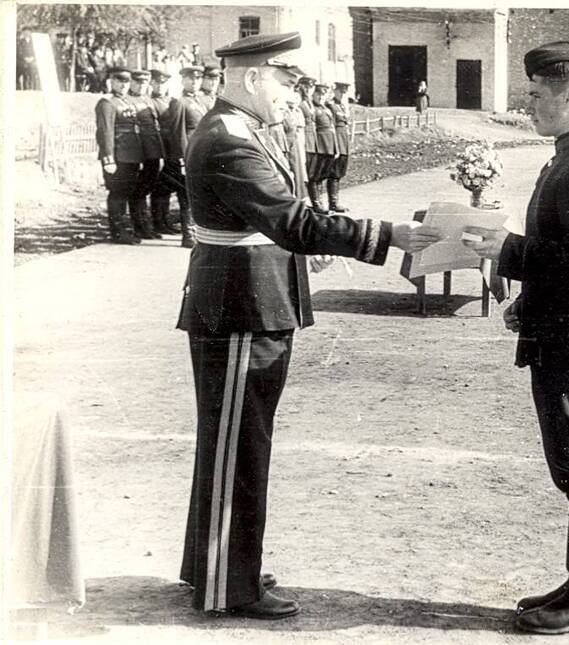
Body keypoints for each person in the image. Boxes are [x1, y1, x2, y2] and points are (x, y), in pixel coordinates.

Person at [176, 31, 440, 620]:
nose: (291, 97)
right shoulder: (227, 140)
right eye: (285, 82)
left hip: (247, 298)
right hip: (241, 304)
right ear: (250, 77)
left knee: (232, 441)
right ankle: (229, 586)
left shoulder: (236, 131)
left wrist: (308, 239)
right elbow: (290, 219)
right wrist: (386, 234)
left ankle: (215, 565)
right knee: (239, 444)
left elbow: (283, 218)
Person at [463, 41, 569, 635]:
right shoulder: (564, 159)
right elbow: (564, 257)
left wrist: (508, 252)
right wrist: (527, 300)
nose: (528, 103)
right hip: (563, 333)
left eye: (537, 95)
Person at [95, 67, 143, 244]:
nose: (123, 85)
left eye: (126, 82)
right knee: (117, 194)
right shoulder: (107, 103)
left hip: (131, 156)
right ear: (111, 81)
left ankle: (125, 229)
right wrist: (108, 158)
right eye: (119, 81)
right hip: (117, 156)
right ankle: (118, 231)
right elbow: (105, 132)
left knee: (127, 192)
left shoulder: (128, 101)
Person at [126, 69, 164, 239]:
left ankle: (145, 226)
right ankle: (139, 227)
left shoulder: (149, 101)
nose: (141, 85)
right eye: (137, 82)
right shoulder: (127, 101)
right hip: (138, 152)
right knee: (137, 191)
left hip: (153, 151)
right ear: (131, 83)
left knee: (146, 188)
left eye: (144, 82)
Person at [174, 66, 209, 246]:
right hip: (190, 154)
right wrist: (182, 158)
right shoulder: (180, 103)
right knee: (187, 195)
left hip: (205, 154)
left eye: (197, 79)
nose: (194, 82)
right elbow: (178, 132)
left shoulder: (205, 101)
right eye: (190, 79)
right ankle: (188, 234)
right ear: (183, 81)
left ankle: (200, 232)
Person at [149, 69, 184, 237]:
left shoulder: (172, 101)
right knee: (159, 188)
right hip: (158, 147)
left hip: (172, 148)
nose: (160, 86)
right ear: (151, 84)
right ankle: (157, 223)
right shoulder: (149, 102)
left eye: (163, 83)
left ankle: (164, 222)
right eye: (156, 83)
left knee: (168, 187)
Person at [308, 82, 336, 212]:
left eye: (323, 94)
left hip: (329, 143)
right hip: (319, 143)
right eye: (318, 93)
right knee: (315, 174)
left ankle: (321, 203)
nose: (320, 97)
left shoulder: (326, 108)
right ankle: (316, 204)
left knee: (323, 174)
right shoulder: (311, 108)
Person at [327, 81, 352, 212]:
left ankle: (335, 202)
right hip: (336, 139)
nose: (342, 94)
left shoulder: (342, 106)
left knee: (340, 171)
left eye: (344, 92)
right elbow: (331, 126)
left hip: (344, 140)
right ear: (334, 91)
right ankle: (333, 203)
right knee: (334, 172)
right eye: (340, 91)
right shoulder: (330, 105)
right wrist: (335, 145)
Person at [296, 77, 321, 210]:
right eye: (305, 86)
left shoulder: (309, 102)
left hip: (312, 140)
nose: (308, 89)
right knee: (303, 171)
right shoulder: (298, 101)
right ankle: (304, 202)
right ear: (300, 86)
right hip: (303, 139)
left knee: (311, 172)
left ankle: (314, 202)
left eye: (310, 87)